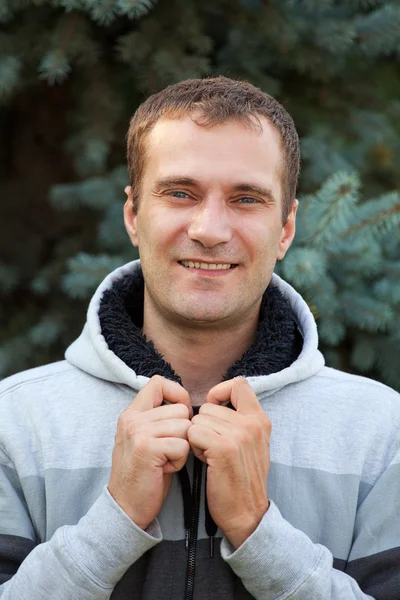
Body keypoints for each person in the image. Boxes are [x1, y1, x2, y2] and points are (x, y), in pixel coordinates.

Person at [0, 76, 399, 600]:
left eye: (247, 198)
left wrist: (259, 531)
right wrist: (113, 525)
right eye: (180, 193)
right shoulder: (16, 425)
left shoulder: (380, 434)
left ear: (286, 229)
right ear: (133, 215)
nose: (210, 229)